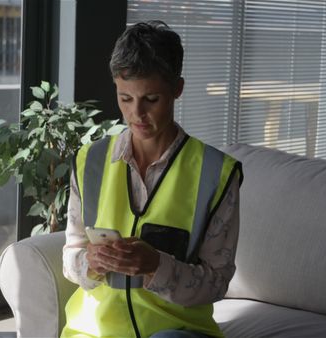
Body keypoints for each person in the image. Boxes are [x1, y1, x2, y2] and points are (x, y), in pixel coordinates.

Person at [61, 21, 243, 338]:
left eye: (151, 99)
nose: (136, 115)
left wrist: (155, 265)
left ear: (177, 89)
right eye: (125, 98)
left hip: (177, 331)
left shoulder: (218, 174)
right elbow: (70, 256)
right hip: (92, 331)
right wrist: (89, 261)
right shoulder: (88, 161)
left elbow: (216, 282)